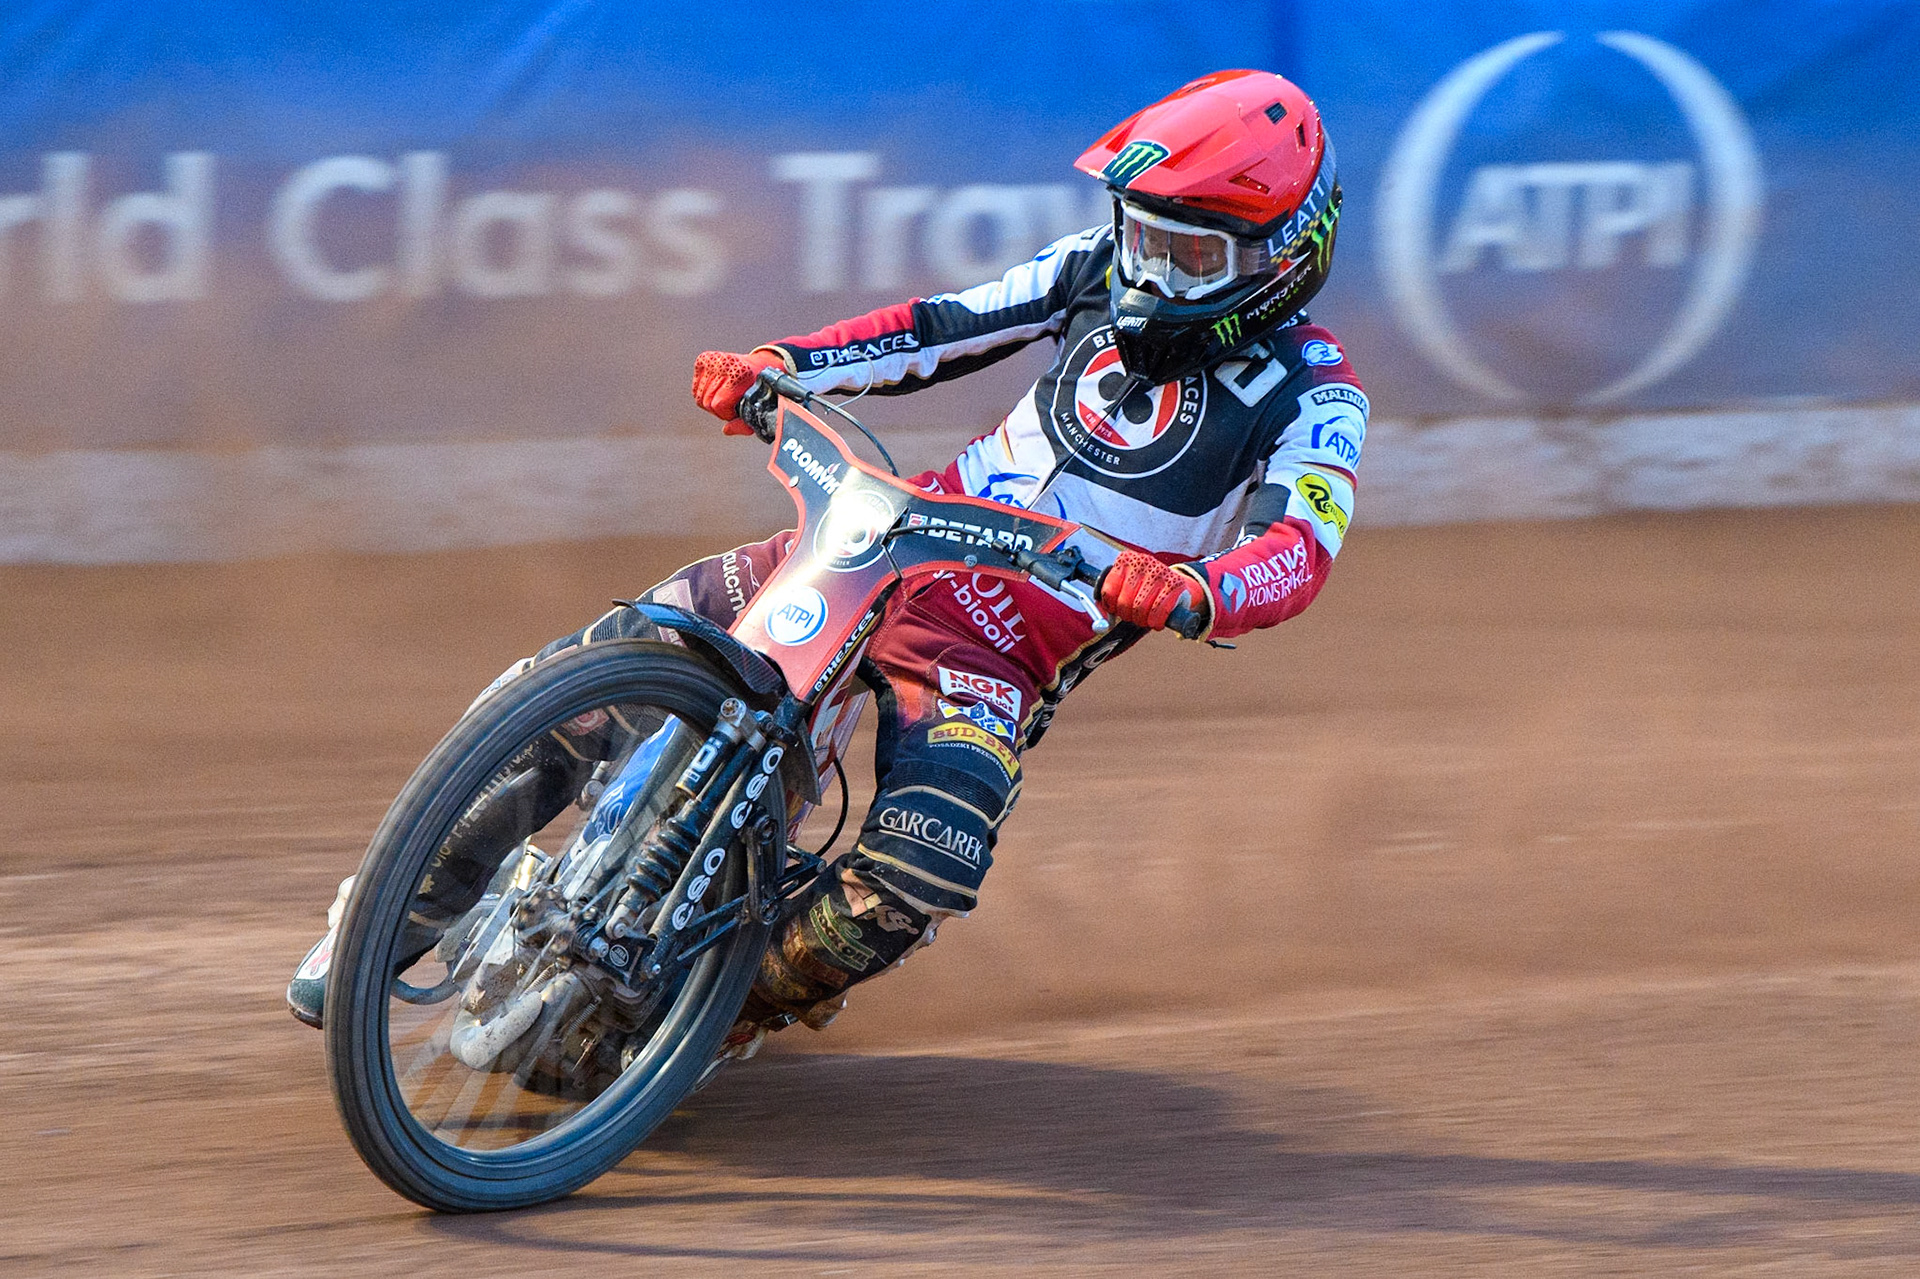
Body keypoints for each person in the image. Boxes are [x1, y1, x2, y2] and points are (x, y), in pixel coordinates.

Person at [288, 69, 1367, 1057]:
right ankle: (392, 907)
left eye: (1192, 254)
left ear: (1286, 255)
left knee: (923, 869)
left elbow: (1297, 552)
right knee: (613, 661)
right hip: (877, 539)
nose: (1150, 269)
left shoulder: (1320, 395)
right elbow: (940, 327)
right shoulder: (1090, 271)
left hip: (992, 653)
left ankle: (692, 1022)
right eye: (1141, 234)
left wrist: (1194, 589)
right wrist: (785, 365)